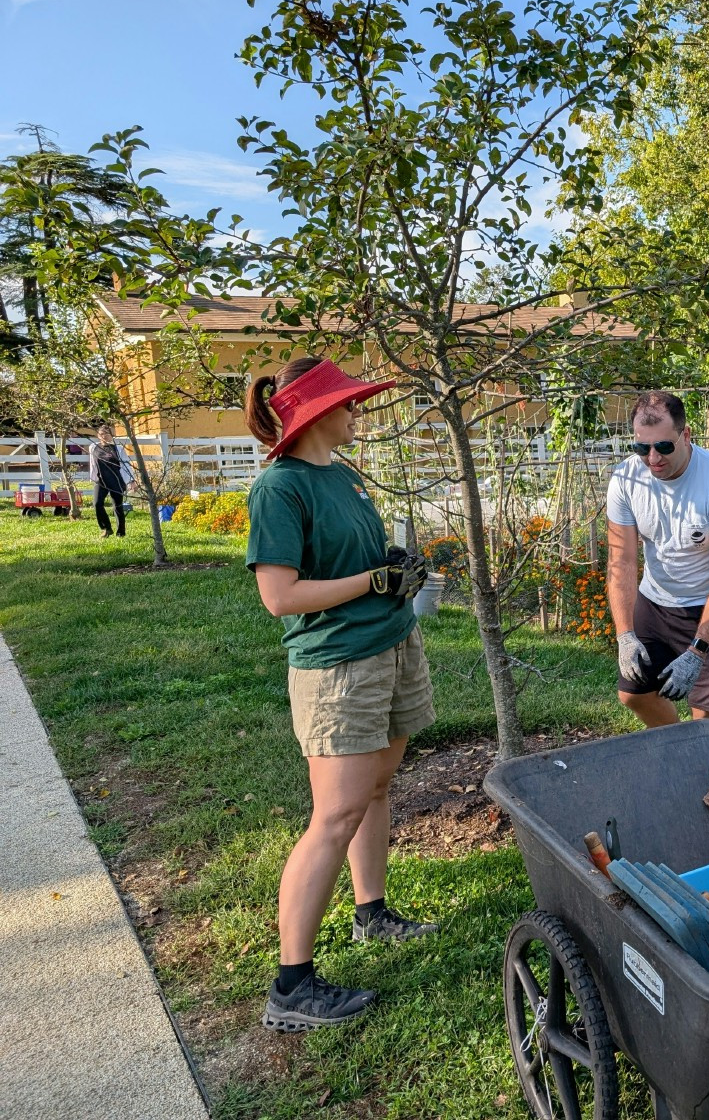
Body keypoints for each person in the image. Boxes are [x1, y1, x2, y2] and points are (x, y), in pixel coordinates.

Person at [243, 356, 437, 1033]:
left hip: (392, 645)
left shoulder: (344, 474)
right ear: (318, 411)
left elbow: (358, 558)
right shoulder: (280, 487)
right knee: (335, 815)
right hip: (339, 668)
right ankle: (291, 986)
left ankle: (370, 913)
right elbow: (279, 595)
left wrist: (394, 569)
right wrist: (372, 582)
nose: (359, 410)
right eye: (350, 402)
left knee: (376, 790)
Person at [606, 391, 709, 727]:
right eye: (642, 448)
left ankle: (700, 752)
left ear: (685, 435)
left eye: (663, 446)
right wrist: (625, 635)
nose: (653, 458)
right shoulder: (626, 479)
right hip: (656, 603)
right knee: (633, 694)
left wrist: (697, 651)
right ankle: (677, 744)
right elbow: (621, 564)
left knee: (707, 718)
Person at [88, 425, 135, 538]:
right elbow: (92, 463)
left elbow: (126, 465)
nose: (104, 436)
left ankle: (121, 533)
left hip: (115, 480)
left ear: (111, 435)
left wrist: (131, 480)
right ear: (98, 435)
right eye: (101, 434)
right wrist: (93, 477)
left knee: (117, 506)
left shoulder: (118, 449)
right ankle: (106, 528)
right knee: (97, 504)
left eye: (107, 433)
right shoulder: (93, 447)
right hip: (101, 481)